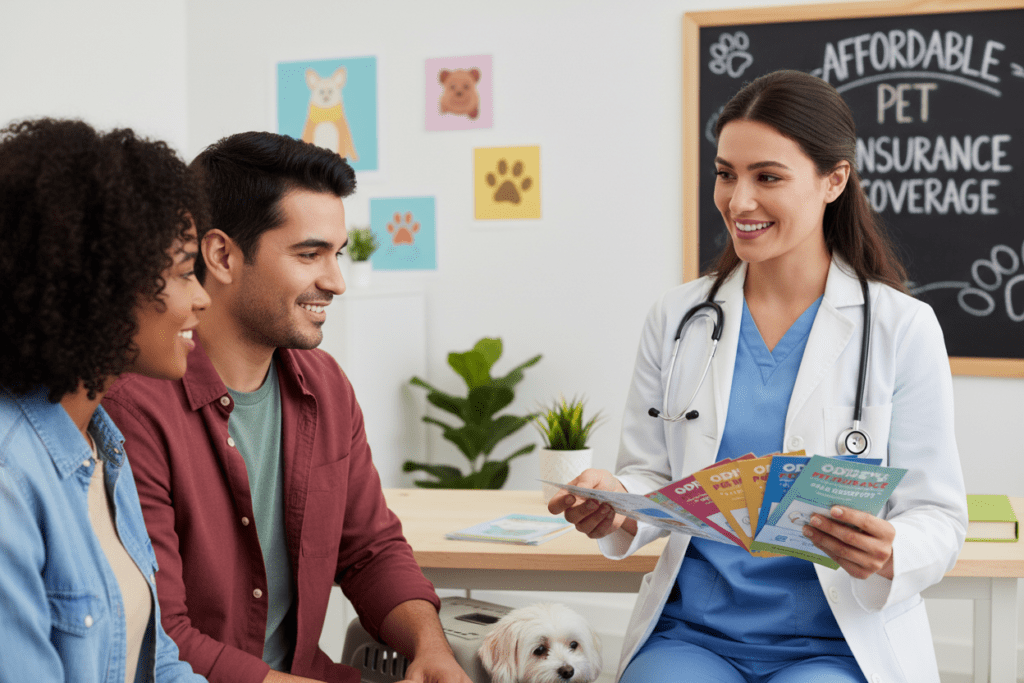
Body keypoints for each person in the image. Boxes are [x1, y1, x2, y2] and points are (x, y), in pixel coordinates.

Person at [550, 70, 967, 683]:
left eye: (767, 176)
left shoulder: (902, 328)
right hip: (695, 634)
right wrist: (618, 506)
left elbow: (937, 514)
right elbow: (652, 475)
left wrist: (890, 550)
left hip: (837, 641)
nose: (738, 201)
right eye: (726, 173)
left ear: (834, 180)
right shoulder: (677, 317)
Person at [102, 131, 472, 683]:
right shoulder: (134, 407)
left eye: (337, 254)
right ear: (222, 255)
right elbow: (162, 633)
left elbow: (370, 549)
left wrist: (431, 648)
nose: (336, 282)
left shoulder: (325, 387)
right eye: (309, 254)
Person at [0, 118, 211, 682]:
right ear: (102, 284)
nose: (202, 299)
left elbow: (157, 660)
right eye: (187, 272)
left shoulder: (103, 446)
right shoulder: (8, 479)